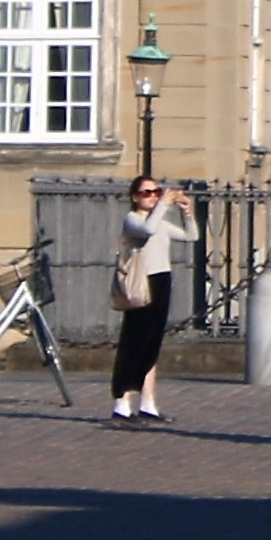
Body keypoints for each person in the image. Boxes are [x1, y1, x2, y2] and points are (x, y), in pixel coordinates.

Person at [111, 175, 196, 422]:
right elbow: (147, 230)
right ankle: (122, 402)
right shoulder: (133, 219)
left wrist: (187, 213)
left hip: (161, 279)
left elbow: (191, 236)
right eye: (146, 193)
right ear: (135, 197)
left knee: (152, 343)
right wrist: (163, 205)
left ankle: (148, 402)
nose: (152, 197)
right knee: (134, 342)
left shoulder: (160, 220)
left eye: (156, 192)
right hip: (140, 282)